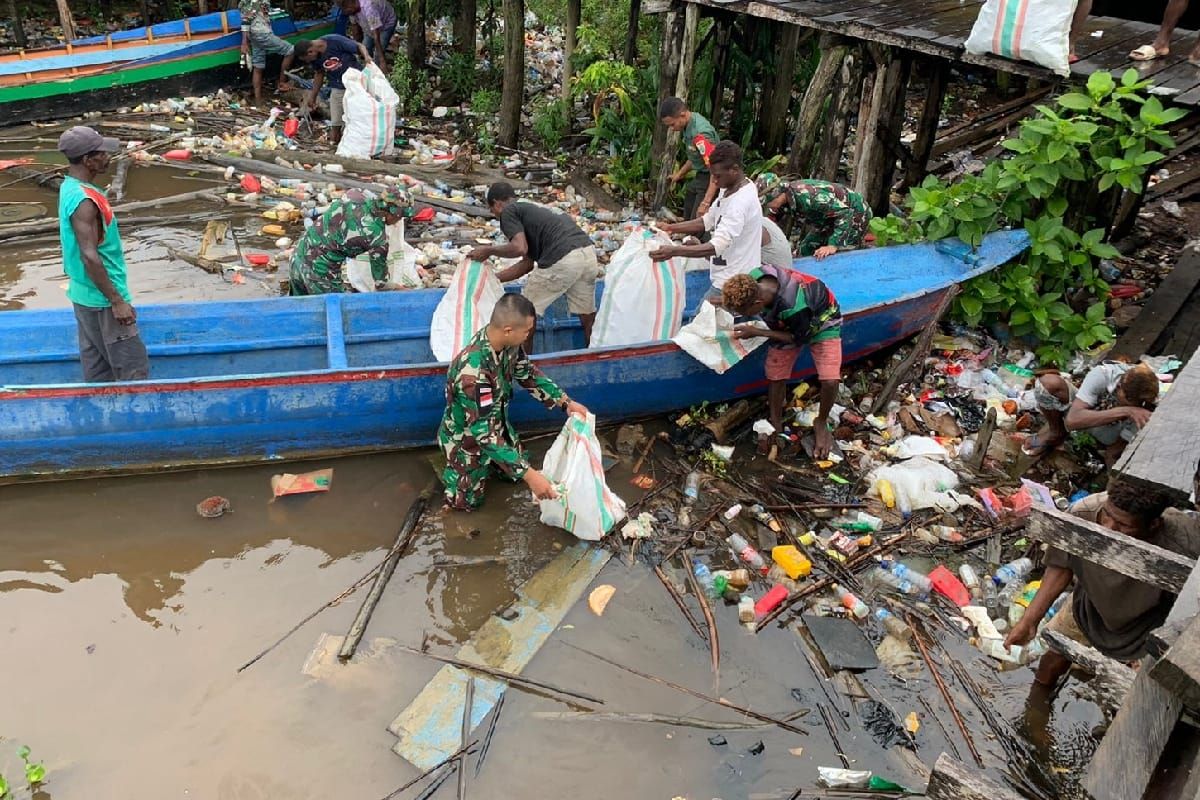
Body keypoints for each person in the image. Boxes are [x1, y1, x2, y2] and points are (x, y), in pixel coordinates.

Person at [1004, 478, 1200, 687]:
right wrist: (1030, 620)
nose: (1108, 527)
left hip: (1146, 625)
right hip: (1089, 604)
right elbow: (1061, 566)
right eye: (1107, 515)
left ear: (1153, 525)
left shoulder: (1184, 542)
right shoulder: (1084, 513)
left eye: (1123, 525)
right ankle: (1036, 706)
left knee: (1136, 693)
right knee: (1051, 661)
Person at [438, 294, 590, 511]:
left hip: (496, 424)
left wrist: (565, 402)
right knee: (466, 504)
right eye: (527, 331)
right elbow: (484, 435)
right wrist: (531, 477)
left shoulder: (507, 344)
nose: (529, 335)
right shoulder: (474, 374)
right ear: (508, 330)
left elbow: (527, 373)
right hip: (469, 438)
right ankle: (456, 477)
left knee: (515, 474)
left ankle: (503, 466)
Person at [57, 126, 150, 383]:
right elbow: (89, 256)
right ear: (88, 160)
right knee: (134, 372)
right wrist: (117, 301)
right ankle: (136, 422)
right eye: (102, 154)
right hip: (103, 303)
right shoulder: (85, 201)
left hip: (83, 295)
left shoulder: (70, 187)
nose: (108, 157)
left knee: (99, 374)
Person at [720, 268, 842, 459]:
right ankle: (776, 420)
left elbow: (796, 338)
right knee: (775, 375)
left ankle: (821, 421)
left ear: (758, 303)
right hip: (785, 321)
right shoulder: (755, 276)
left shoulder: (793, 306)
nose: (743, 314)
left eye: (745, 312)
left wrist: (759, 332)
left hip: (821, 320)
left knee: (830, 380)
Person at [467, 182, 600, 347]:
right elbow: (526, 265)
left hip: (563, 257)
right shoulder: (533, 210)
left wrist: (488, 250)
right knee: (587, 316)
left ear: (498, 203)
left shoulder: (509, 211)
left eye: (492, 209)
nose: (493, 214)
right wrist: (490, 278)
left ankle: (523, 365)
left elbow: (519, 248)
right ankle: (595, 354)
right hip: (588, 254)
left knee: (523, 314)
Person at [649, 141, 762, 298]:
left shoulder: (740, 203)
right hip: (726, 273)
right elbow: (706, 221)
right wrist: (670, 228)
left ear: (734, 170)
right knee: (731, 319)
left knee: (702, 319)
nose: (714, 181)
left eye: (717, 176)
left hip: (734, 280)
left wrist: (674, 251)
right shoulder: (729, 188)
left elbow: (716, 247)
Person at [1023, 362, 1158, 464]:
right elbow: (1072, 421)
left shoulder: (1146, 410)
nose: (1117, 386)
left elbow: (1115, 450)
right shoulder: (1105, 374)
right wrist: (1126, 410)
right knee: (1048, 383)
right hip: (1083, 412)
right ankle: (1056, 431)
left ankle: (1092, 447)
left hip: (1109, 434)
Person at [288, 188, 410, 295]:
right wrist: (399, 288)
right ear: (393, 214)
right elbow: (381, 285)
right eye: (400, 217)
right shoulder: (377, 238)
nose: (398, 221)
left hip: (298, 254)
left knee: (298, 311)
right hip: (320, 270)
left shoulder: (356, 194)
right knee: (336, 311)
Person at [757, 174, 872, 259]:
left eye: (767, 203)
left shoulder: (809, 197)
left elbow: (845, 212)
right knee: (805, 250)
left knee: (839, 254)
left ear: (776, 195)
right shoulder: (784, 199)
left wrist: (833, 245)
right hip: (828, 220)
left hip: (854, 213)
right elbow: (772, 219)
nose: (767, 206)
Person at [295, 34, 372, 145]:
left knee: (354, 118)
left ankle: (354, 145)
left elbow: (359, 46)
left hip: (356, 83)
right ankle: (334, 145)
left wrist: (366, 57)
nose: (308, 62)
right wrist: (313, 97)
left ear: (311, 51)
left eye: (307, 59)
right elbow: (319, 74)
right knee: (335, 122)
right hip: (337, 86)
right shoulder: (315, 58)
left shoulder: (335, 41)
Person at [659, 96, 720, 220]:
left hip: (711, 176)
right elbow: (695, 156)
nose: (672, 128)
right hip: (701, 174)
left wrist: (706, 202)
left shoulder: (701, 134)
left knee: (698, 219)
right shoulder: (689, 125)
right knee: (690, 197)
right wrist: (679, 174)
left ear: (682, 115)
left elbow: (715, 170)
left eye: (672, 124)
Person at [238, 0, 296, 105]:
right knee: (290, 50)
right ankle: (282, 83)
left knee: (258, 67)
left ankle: (258, 99)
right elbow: (245, 20)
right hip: (262, 34)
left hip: (255, 35)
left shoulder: (247, 2)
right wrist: (244, 42)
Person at [339, 0, 396, 71]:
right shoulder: (351, 11)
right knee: (366, 48)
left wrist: (382, 61)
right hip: (368, 26)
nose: (346, 12)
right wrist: (359, 49)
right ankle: (371, 66)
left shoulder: (370, 8)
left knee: (378, 56)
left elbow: (376, 36)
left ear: (350, 4)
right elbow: (355, 30)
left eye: (346, 9)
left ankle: (380, 72)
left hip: (386, 24)